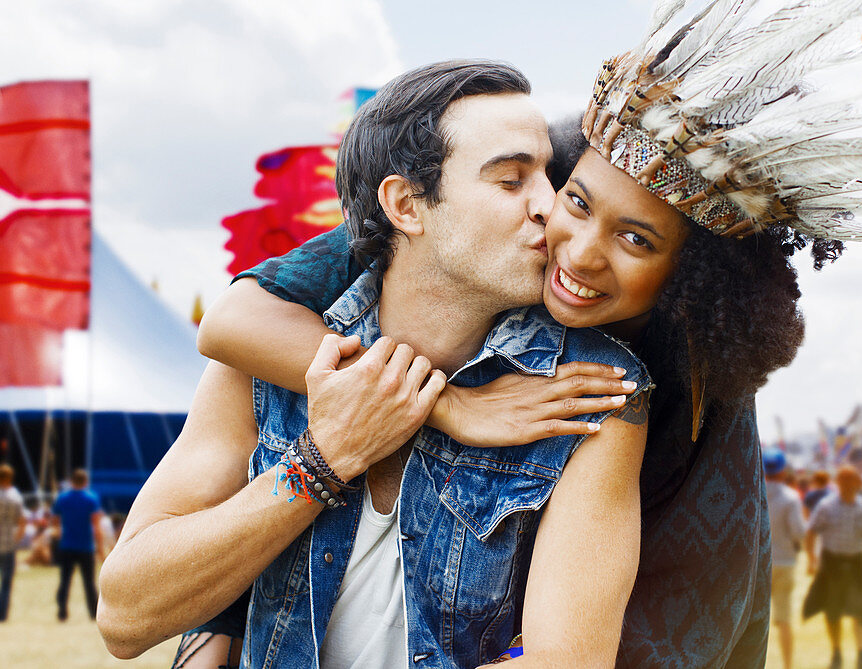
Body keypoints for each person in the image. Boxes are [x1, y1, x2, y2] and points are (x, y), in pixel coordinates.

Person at [99, 60, 653, 667]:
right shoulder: (262, 364)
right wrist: (323, 461)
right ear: (407, 205)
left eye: (549, 176)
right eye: (510, 180)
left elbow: (565, 661)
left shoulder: (590, 391)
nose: (551, 208)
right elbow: (125, 618)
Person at [803, 465, 862, 669]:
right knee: (832, 611)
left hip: (857, 562)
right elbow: (811, 532)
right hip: (832, 564)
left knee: (861, 609)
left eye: (851, 480)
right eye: (842, 480)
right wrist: (811, 559)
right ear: (837, 483)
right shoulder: (826, 506)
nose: (847, 484)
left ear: (858, 483)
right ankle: (836, 653)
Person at [764, 448, 806, 669]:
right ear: (782, 471)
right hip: (786, 562)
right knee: (784, 619)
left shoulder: (753, 492)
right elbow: (799, 532)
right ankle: (788, 665)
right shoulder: (791, 498)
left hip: (759, 566)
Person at [52, 468, 103, 621]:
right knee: (89, 581)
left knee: (65, 580)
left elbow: (55, 521)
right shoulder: (91, 498)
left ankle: (62, 610)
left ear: (72, 481)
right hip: (86, 545)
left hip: (67, 544)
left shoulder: (62, 498)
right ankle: (93, 612)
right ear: (85, 482)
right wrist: (100, 547)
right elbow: (96, 525)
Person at [0, 464, 27, 622]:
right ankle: (2, 614)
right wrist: (17, 538)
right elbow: (22, 521)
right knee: (6, 581)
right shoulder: (15, 497)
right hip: (9, 543)